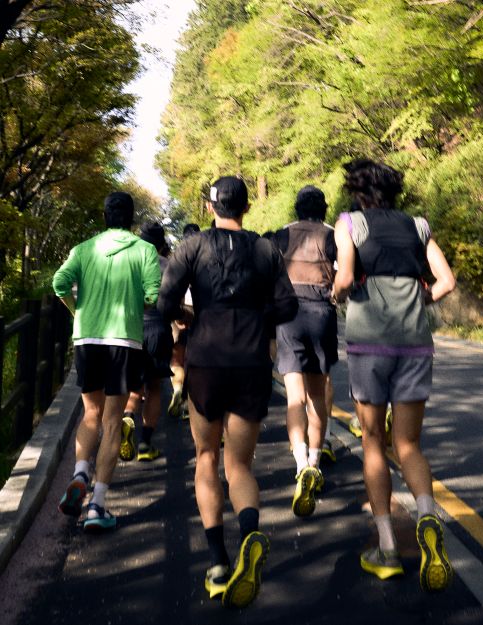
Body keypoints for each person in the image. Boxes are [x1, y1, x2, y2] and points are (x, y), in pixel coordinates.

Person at [157, 176, 298, 608]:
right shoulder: (266, 249)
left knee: (206, 457)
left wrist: (186, 316)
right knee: (239, 465)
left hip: (205, 362)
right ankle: (250, 533)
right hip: (251, 361)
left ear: (209, 207)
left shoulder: (191, 246)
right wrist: (256, 316)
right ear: (247, 207)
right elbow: (288, 305)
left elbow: (164, 302)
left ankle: (218, 563)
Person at [334, 159, 455, 591]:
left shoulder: (349, 223)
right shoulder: (419, 226)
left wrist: (336, 294)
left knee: (373, 441)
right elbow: (446, 281)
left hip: (369, 344)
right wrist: (421, 299)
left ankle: (386, 548)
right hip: (415, 343)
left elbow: (346, 277)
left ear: (358, 192)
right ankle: (427, 516)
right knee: (408, 443)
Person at [53, 192, 161, 531]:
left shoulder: (83, 249)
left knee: (91, 414)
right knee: (113, 422)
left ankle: (79, 474)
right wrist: (134, 306)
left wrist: (77, 312)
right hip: (123, 341)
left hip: (87, 339)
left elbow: (59, 283)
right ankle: (97, 506)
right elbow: (152, 295)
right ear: (132, 219)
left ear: (104, 217)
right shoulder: (145, 250)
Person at [273, 185, 338, 517]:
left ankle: (300, 464)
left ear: (297, 208)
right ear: (323, 208)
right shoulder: (332, 235)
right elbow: (343, 275)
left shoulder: (282, 235)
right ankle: (315, 460)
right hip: (322, 314)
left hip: (289, 315)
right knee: (317, 396)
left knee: (294, 397)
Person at [120, 222, 173, 461]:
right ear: (161, 245)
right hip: (158, 328)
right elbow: (174, 301)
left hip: (129, 328)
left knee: (134, 385)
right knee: (154, 387)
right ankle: (145, 444)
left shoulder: (127, 263)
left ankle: (128, 416)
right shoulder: (168, 266)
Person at [167, 222, 200, 419]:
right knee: (197, 359)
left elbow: (173, 288)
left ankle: (178, 388)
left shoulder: (179, 255)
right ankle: (189, 404)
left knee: (177, 358)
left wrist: (176, 313)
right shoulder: (205, 252)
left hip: (181, 310)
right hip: (201, 312)